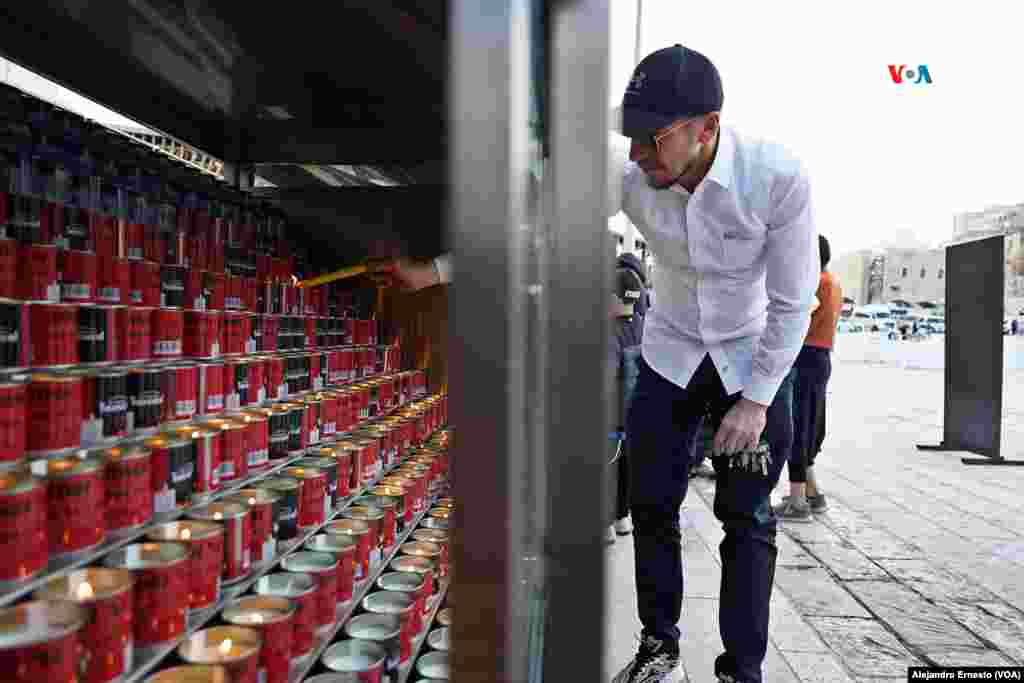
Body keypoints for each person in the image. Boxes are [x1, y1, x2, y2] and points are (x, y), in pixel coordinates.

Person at [375, 44, 818, 683]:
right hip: (669, 355)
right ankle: (659, 646)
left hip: (751, 361)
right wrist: (436, 273)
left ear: (708, 128)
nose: (637, 152)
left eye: (654, 136)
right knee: (651, 505)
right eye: (630, 134)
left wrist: (755, 403)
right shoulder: (629, 171)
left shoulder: (777, 179)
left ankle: (741, 671)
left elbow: (790, 301)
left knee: (746, 518)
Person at [774, 235, 842, 522]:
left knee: (799, 425)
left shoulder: (817, 283)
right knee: (811, 424)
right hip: (821, 357)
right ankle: (811, 493)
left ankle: (798, 500)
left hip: (805, 356)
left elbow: (798, 321)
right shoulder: (832, 281)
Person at [607, 264, 645, 542]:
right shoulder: (646, 325)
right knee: (628, 467)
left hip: (611, 415)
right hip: (637, 414)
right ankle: (623, 518)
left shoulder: (609, 332)